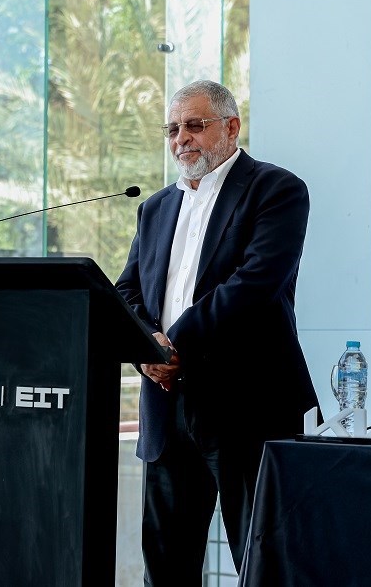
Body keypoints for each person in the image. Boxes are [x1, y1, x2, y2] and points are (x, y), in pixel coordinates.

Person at [115, 80, 320, 585]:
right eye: (172, 129)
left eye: (194, 125)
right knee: (166, 568)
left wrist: (175, 345)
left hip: (248, 405)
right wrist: (147, 349)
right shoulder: (155, 208)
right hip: (166, 408)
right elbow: (127, 292)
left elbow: (256, 283)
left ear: (231, 127)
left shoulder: (276, 189)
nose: (181, 138)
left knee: (263, 565)